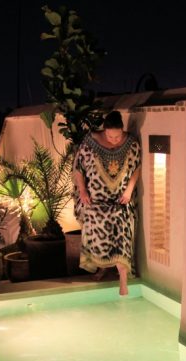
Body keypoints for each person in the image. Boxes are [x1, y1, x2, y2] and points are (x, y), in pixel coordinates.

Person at [73, 110, 141, 295]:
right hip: (96, 203)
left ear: (123, 130)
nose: (114, 140)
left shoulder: (131, 144)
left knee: (122, 241)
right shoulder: (90, 142)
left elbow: (136, 168)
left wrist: (128, 191)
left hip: (120, 203)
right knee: (99, 240)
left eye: (118, 135)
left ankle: (123, 282)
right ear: (104, 131)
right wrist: (83, 190)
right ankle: (102, 267)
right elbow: (78, 168)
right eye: (110, 136)